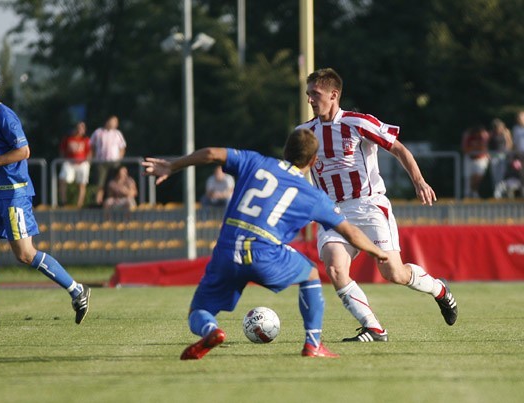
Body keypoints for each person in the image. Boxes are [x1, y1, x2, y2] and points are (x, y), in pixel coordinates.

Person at [142, 128, 390, 360]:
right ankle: (313, 344)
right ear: (313, 161)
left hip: (227, 250)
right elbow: (350, 232)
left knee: (199, 311)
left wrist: (172, 166)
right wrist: (377, 251)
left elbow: (210, 153)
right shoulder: (314, 196)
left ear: (285, 151)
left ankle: (210, 330)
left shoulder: (254, 161)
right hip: (265, 253)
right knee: (311, 273)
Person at [295, 67, 458, 343]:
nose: (310, 99)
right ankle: (373, 328)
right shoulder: (303, 133)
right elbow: (294, 169)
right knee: (335, 269)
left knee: (393, 272)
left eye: (315, 94)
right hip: (332, 211)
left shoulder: (358, 122)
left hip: (368, 206)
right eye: (308, 93)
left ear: (333, 95)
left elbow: (398, 148)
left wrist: (419, 181)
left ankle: (439, 289)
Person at [0, 70, 91, 328]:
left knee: (25, 254)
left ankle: (77, 290)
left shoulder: (5, 116)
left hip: (14, 193)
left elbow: (24, 150)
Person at [89, 115, 127, 205]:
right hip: (101, 162)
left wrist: (119, 159)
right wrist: (93, 158)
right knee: (100, 183)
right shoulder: (98, 132)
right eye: (113, 121)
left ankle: (113, 202)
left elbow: (122, 148)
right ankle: (98, 202)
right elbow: (91, 146)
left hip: (114, 163)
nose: (115, 123)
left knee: (113, 183)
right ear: (107, 121)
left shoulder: (117, 134)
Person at [58, 121, 91, 208]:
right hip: (70, 162)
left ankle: (80, 204)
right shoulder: (68, 138)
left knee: (82, 183)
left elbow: (89, 152)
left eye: (82, 128)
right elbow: (62, 150)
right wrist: (64, 159)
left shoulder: (86, 139)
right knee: (63, 179)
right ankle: (63, 202)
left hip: (82, 163)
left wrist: (87, 161)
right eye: (79, 128)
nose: (80, 130)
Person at [461, 125, 490, 198]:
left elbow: (483, 148)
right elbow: (465, 149)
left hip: (480, 159)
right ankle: (467, 194)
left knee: (478, 177)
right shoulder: (469, 136)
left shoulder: (483, 136)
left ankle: (474, 192)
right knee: (468, 177)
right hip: (470, 159)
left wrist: (475, 148)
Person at [488, 118, 513, 192]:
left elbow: (509, 143)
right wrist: (488, 154)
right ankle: (496, 191)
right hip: (494, 155)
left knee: (502, 174)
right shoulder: (492, 133)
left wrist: (507, 152)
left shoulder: (506, 132)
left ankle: (500, 191)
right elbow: (488, 144)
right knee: (494, 174)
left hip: (503, 155)